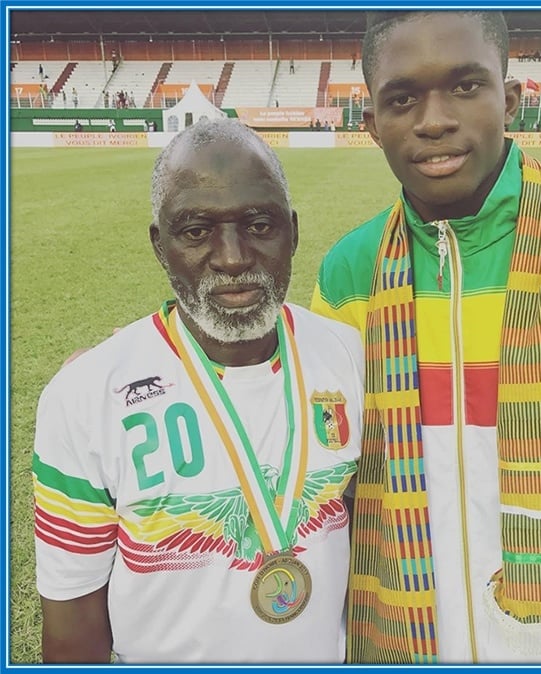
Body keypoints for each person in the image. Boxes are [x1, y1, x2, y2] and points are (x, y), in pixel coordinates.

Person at [310, 10, 541, 665]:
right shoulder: (348, 275)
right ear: (372, 124)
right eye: (403, 98)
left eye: (466, 86)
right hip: (409, 645)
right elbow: (327, 477)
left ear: (513, 100)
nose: (434, 119)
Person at [33, 118, 365, 664]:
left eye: (259, 225)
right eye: (196, 231)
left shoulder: (350, 357)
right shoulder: (86, 395)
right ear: (160, 247)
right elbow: (73, 622)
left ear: (294, 232)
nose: (233, 259)